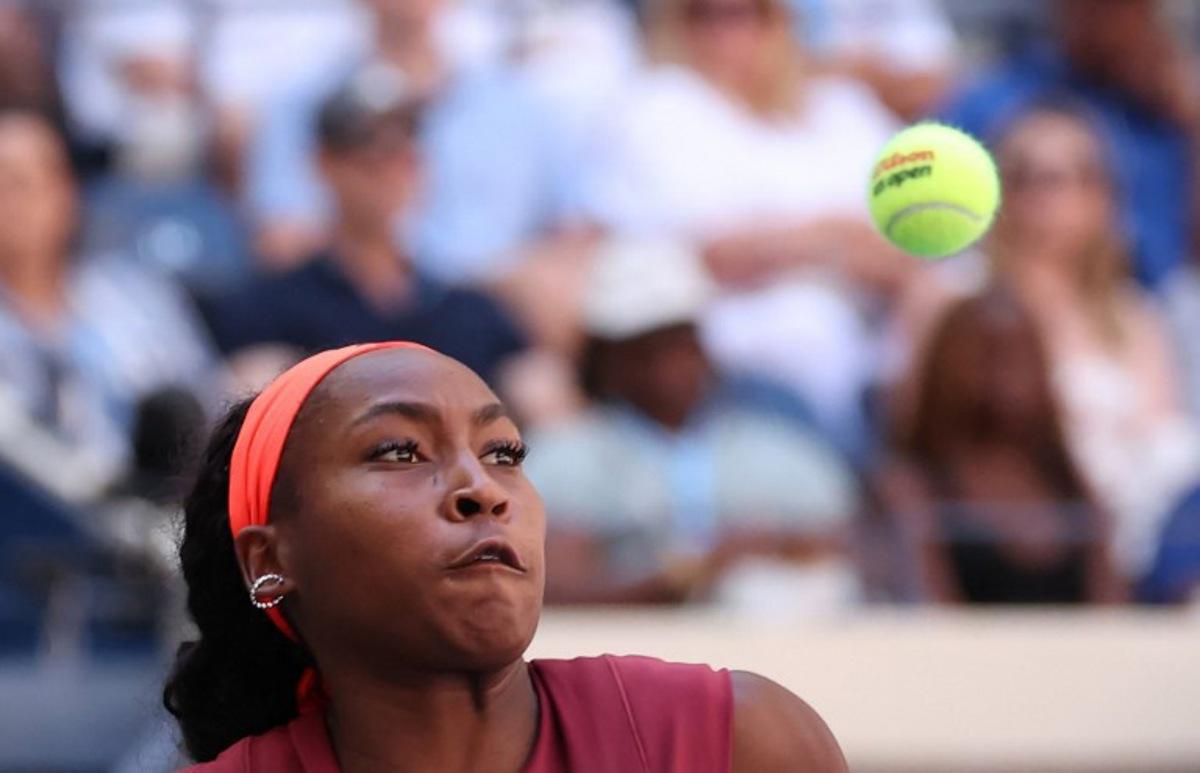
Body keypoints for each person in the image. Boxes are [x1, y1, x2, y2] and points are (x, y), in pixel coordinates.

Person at [163, 341, 847, 771]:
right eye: (399, 450)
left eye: (504, 453)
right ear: (268, 560)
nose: (481, 488)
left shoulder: (738, 741)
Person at [581, 0, 903, 458]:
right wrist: (830, 237)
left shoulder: (843, 108)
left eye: (745, 13)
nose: (726, 31)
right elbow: (705, 256)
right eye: (704, 14)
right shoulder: (656, 105)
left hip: (867, 354)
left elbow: (901, 252)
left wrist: (779, 243)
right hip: (732, 352)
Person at [892, 103, 1200, 580]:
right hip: (998, 538)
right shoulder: (951, 295)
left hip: (1132, 535)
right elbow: (919, 434)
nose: (1043, 196)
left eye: (1069, 176)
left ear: (1103, 195)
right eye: (1025, 176)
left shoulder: (1133, 314)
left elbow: (1162, 447)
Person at [524, 238, 859, 607]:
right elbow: (556, 592)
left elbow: (849, 559)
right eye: (641, 350)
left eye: (678, 343)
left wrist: (777, 547)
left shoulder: (782, 452)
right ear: (605, 359)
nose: (665, 368)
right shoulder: (565, 459)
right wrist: (692, 574)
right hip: (628, 656)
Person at [204, 67, 527, 387]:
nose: (387, 170)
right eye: (368, 153)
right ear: (325, 163)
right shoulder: (271, 308)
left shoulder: (466, 310)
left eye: (401, 153)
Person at [246, 0, 569, 280]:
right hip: (356, 305)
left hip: (487, 312)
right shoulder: (303, 101)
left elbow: (572, 230)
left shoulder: (518, 105)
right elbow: (283, 239)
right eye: (374, 160)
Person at [0, 110, 216, 482]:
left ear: (66, 193)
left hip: (149, 511)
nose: (10, 205)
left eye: (20, 184)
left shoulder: (139, 300)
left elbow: (204, 404)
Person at [876, 290, 1121, 604]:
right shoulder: (911, 488)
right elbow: (929, 614)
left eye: (1024, 355)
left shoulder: (1071, 484)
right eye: (990, 353)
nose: (1011, 375)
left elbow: (1111, 610)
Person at [938, 0, 1200, 289]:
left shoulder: (1163, 110)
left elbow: (1176, 257)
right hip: (1015, 306)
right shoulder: (993, 102)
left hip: (1136, 309)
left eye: (1135, 8)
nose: (1121, 22)